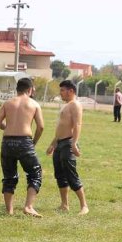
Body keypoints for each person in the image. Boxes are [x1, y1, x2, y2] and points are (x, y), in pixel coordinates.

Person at [0, 77, 45, 217]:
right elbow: (41, 127)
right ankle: (28, 206)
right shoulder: (34, 104)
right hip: (24, 142)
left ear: (17, 89)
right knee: (35, 173)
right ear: (30, 89)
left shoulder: (8, 103)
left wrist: (8, 128)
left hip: (7, 142)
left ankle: (9, 210)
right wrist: (33, 142)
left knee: (9, 176)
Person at [47, 79, 88, 214]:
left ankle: (84, 206)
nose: (60, 93)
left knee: (71, 175)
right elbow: (61, 127)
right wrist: (53, 143)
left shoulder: (75, 105)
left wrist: (74, 143)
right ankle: (64, 205)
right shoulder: (66, 105)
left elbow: (78, 124)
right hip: (59, 144)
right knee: (60, 175)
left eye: (62, 90)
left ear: (71, 91)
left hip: (68, 143)